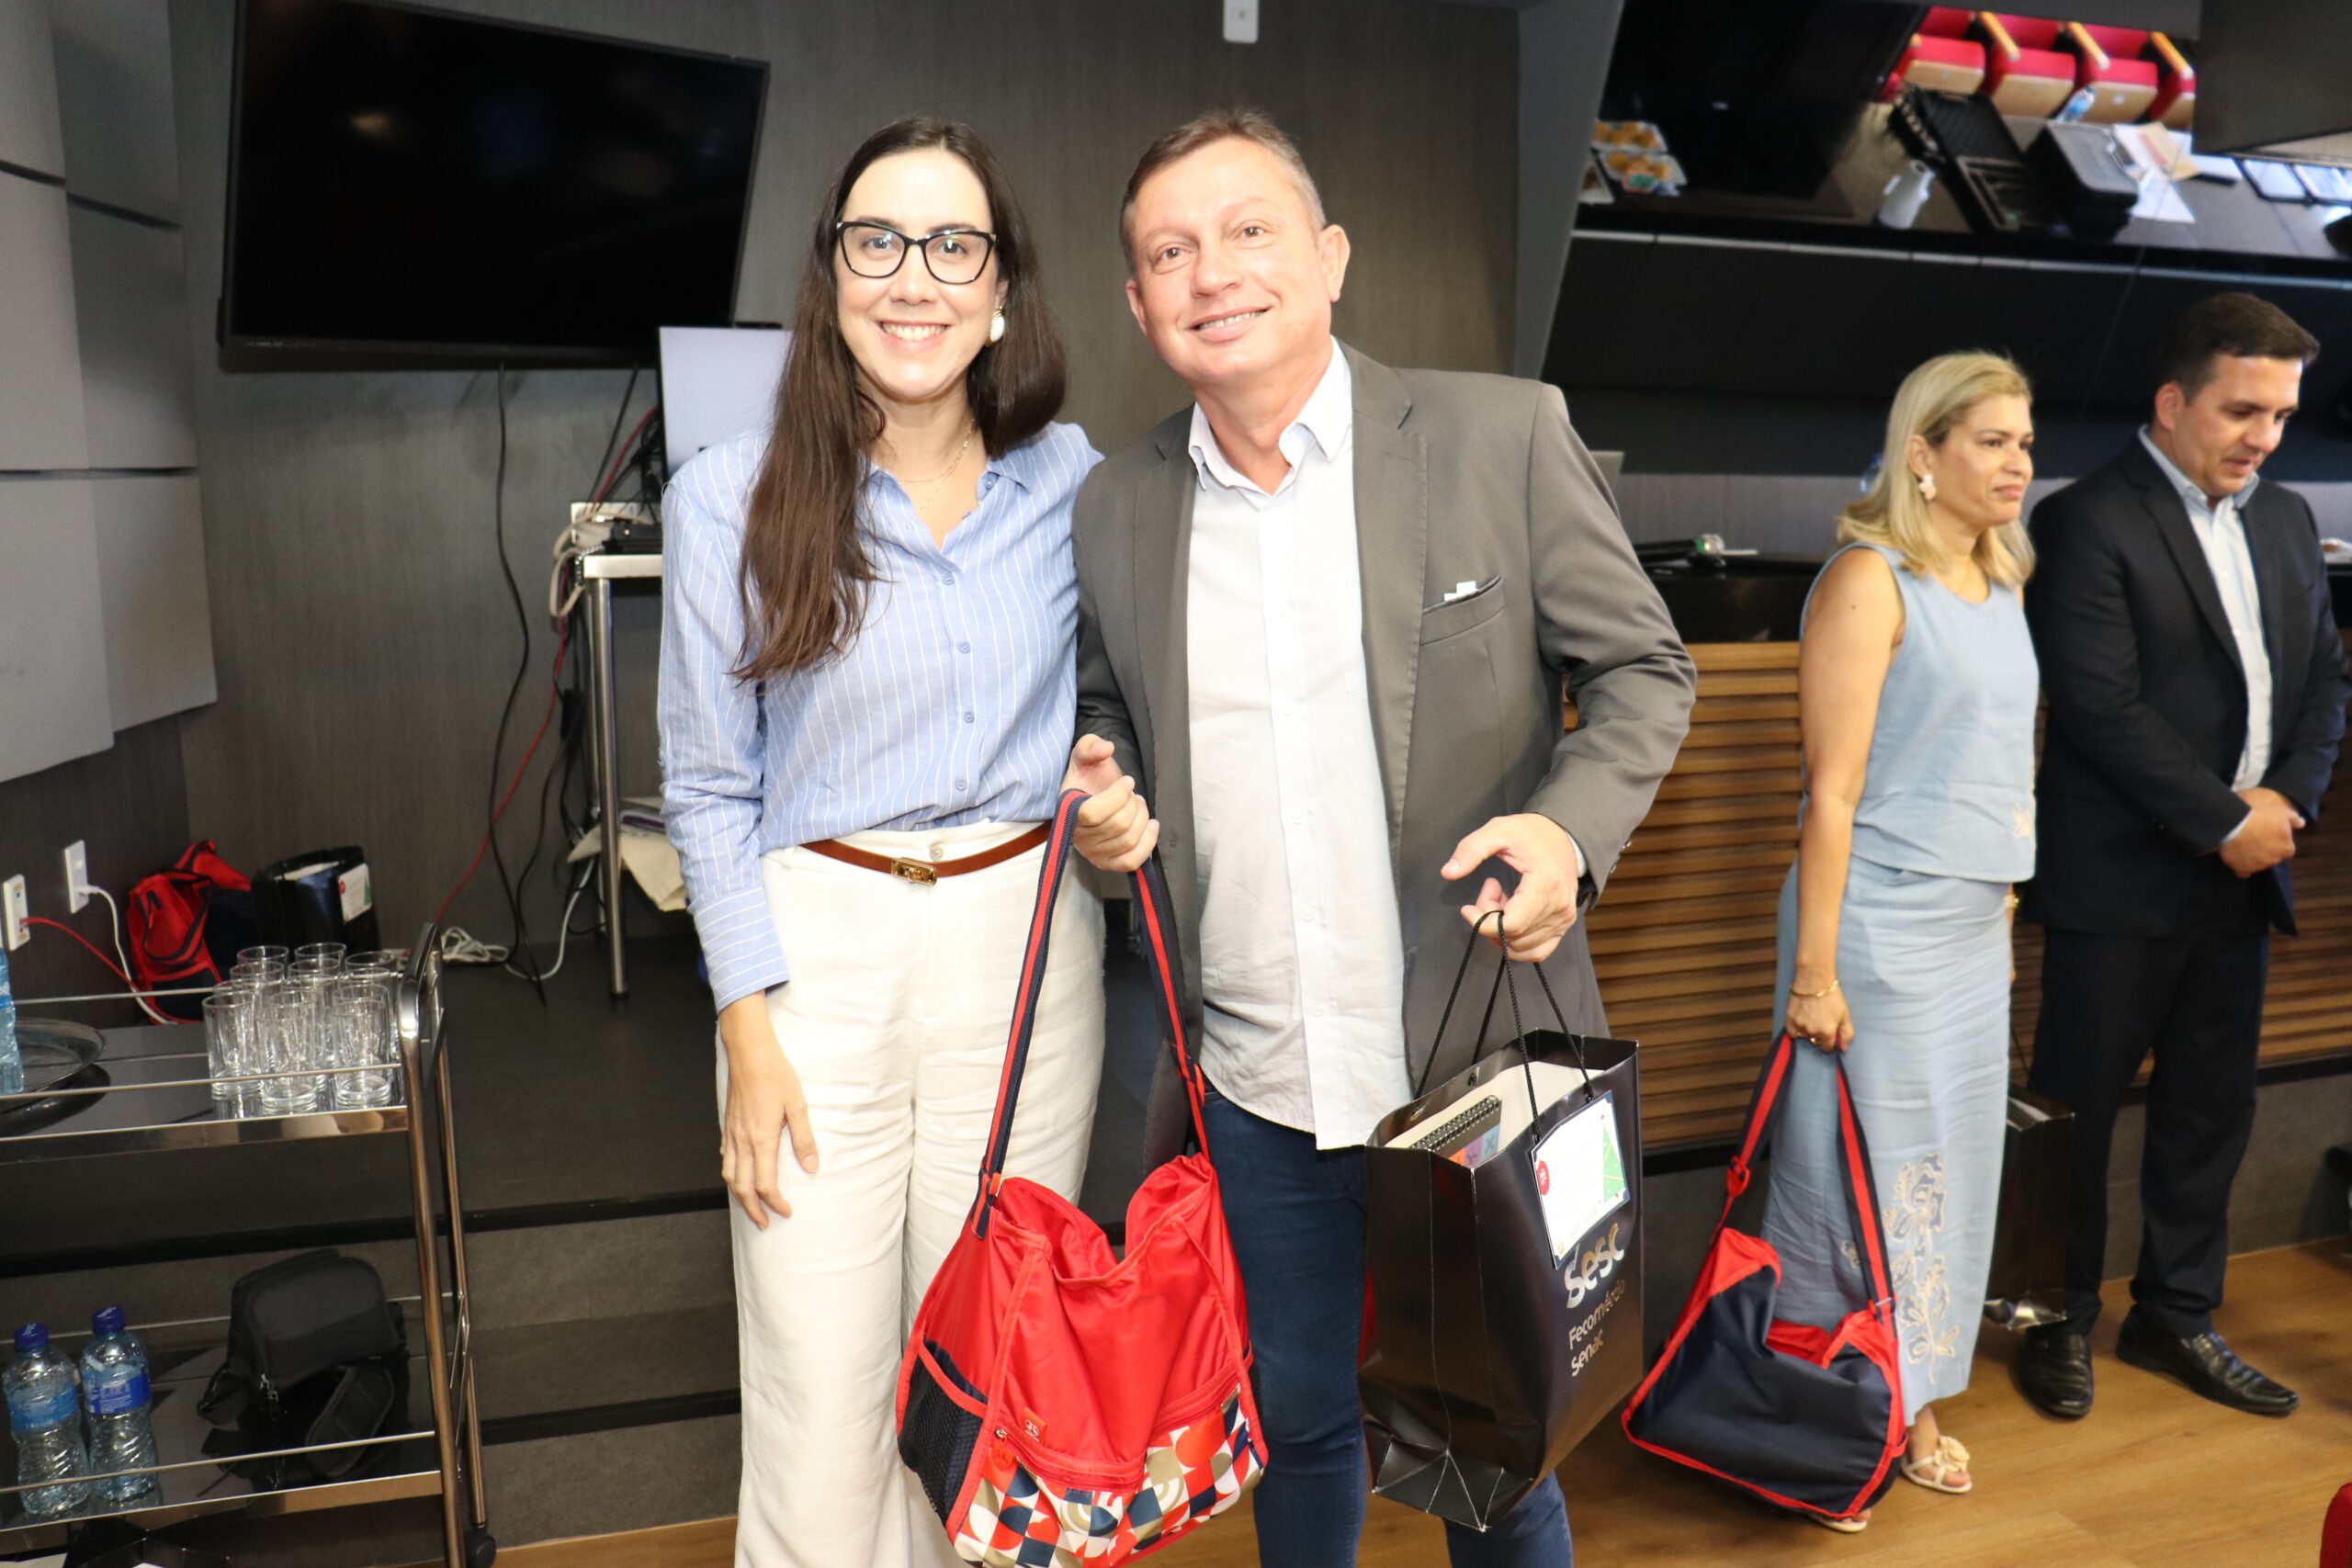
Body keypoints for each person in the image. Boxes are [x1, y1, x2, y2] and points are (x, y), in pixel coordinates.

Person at [1061, 108, 1695, 1568]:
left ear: (1331, 255)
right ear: (1140, 304)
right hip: (1257, 1076)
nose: (1214, 271)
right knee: (1297, 1421)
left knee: (1497, 1451)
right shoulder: (1118, 505)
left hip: (1476, 1061)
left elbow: (1646, 669)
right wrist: (1104, 804)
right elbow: (1110, 717)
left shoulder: (1499, 434)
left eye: (1249, 230)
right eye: (1172, 251)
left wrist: (1566, 831)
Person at [659, 118, 1112, 1568]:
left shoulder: (1076, 482)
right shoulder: (729, 495)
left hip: (1027, 957)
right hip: (817, 962)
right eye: (879, 241)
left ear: (1001, 291)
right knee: (819, 1384)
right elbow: (706, 787)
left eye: (954, 246)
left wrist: (1113, 779)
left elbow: (1124, 698)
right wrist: (746, 1029)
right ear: (833, 275)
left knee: (990, 1367)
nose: (915, 278)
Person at [2016, 293, 2347, 1421]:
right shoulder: (2085, 520)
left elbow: (2324, 681)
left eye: (2281, 415)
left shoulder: (2287, 519)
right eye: (2241, 410)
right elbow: (2099, 711)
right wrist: (2223, 817)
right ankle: (2053, 1319)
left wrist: (2283, 805)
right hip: (2117, 878)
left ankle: (2175, 1315)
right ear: (2172, 402)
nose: (2263, 436)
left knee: (2211, 1111)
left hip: (2244, 876)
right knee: (2074, 1115)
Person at [1769, 353, 2041, 1529]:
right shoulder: (1868, 579)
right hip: (1876, 928)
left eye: (2025, 443)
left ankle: (1912, 1402)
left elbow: (1991, 761)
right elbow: (1829, 793)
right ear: (1921, 454)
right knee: (1859, 1181)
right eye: (1992, 441)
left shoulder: (2000, 576)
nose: (2017, 464)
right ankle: (1836, 1424)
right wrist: (1814, 974)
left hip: (1972, 929)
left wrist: (2004, 894)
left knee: (1947, 1178)